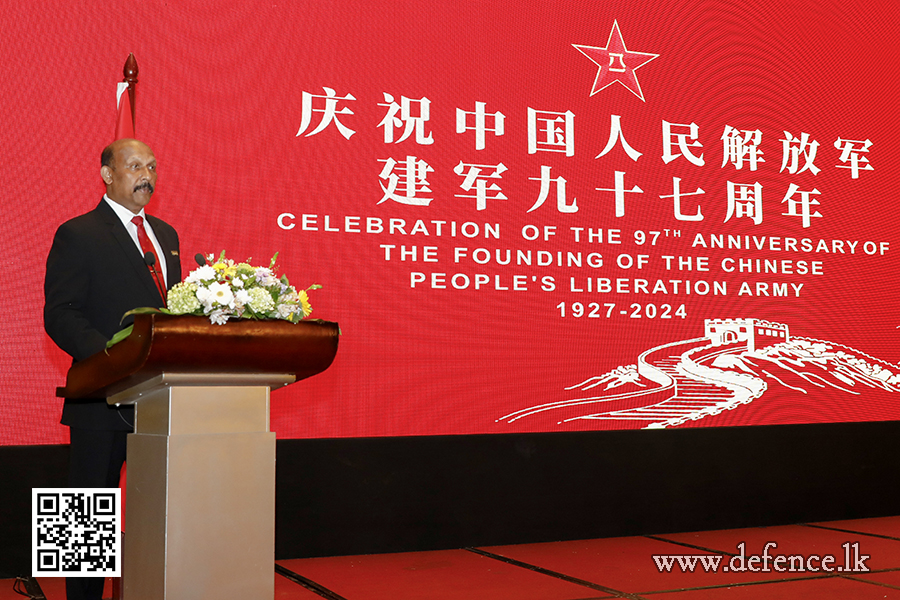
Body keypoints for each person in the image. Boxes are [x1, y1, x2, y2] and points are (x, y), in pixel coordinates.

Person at [44, 138, 181, 600]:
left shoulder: (167, 235)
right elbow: (60, 313)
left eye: (153, 167)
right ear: (107, 174)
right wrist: (109, 359)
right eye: (135, 166)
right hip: (101, 399)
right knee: (83, 520)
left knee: (157, 512)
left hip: (160, 402)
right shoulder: (78, 233)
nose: (147, 175)